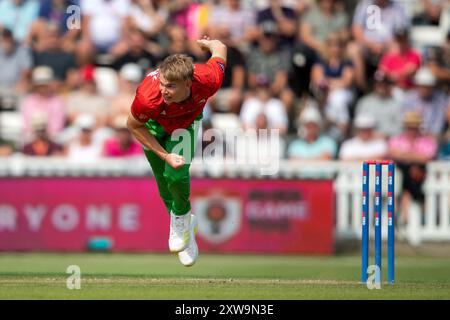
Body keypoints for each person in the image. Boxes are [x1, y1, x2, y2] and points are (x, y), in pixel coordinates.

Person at [127, 37, 227, 267]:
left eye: (171, 86)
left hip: (186, 125)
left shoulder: (209, 79)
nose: (165, 90)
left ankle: (180, 220)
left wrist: (208, 43)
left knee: (176, 174)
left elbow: (220, 48)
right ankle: (187, 229)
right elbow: (133, 125)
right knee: (164, 183)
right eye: (163, 83)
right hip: (151, 126)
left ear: (189, 83)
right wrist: (164, 155)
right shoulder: (148, 98)